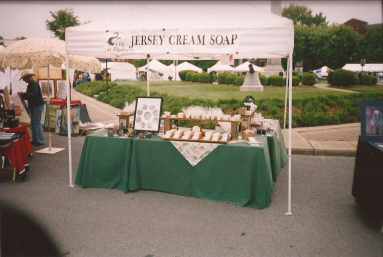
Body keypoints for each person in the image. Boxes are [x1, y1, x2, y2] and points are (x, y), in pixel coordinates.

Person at [20, 70, 45, 146]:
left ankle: (39, 140)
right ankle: (36, 139)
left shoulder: (33, 84)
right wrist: (24, 95)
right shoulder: (31, 84)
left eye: (24, 79)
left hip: (37, 105)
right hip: (35, 105)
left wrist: (24, 95)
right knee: (34, 123)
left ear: (28, 78)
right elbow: (31, 94)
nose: (24, 81)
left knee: (36, 123)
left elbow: (32, 95)